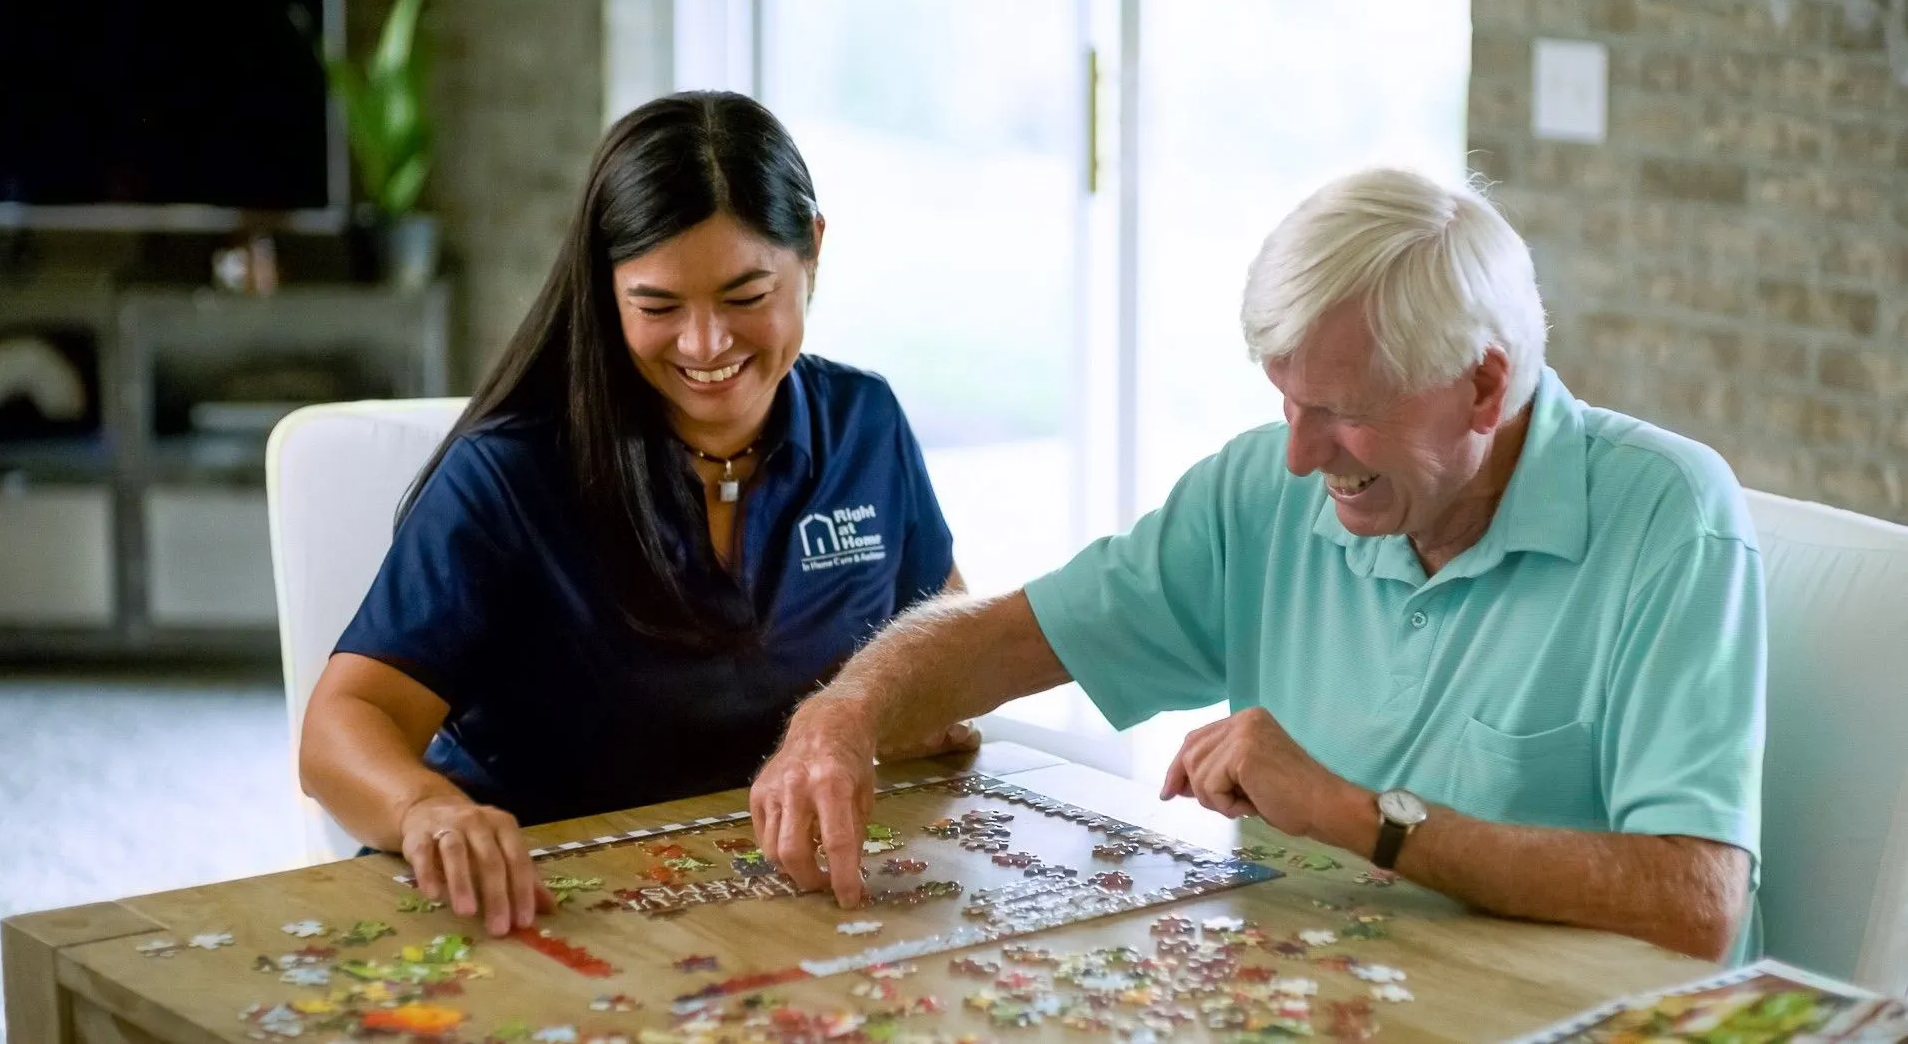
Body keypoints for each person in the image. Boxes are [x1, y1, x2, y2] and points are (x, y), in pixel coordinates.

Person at [751, 167, 1766, 963]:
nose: (1300, 454)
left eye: (1345, 413)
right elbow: (1016, 633)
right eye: (1287, 399)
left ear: (1484, 385)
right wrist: (844, 715)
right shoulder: (1262, 489)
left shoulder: (1673, 519)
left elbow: (1695, 905)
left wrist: (1360, 817)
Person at [299, 92, 975, 937]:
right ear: (605, 290)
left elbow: (943, 640)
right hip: (542, 905)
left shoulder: (865, 425)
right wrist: (425, 810)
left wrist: (903, 712)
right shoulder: (509, 473)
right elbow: (337, 730)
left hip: (768, 891)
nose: (704, 344)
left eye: (744, 295)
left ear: (812, 252)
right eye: (657, 307)